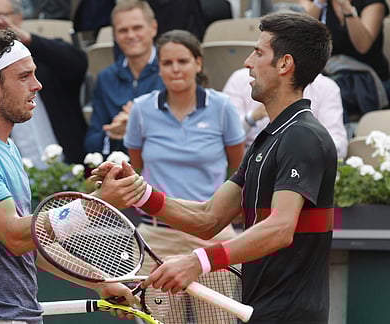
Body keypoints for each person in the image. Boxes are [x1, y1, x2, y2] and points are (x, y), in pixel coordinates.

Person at [93, 11, 338, 323]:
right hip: (258, 308)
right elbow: (209, 217)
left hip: (292, 314)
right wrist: (139, 192)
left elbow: (279, 229)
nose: (247, 62)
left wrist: (198, 260)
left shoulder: (304, 136)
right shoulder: (267, 140)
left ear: (284, 64)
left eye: (259, 52)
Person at [0, 29, 144, 323]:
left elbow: (34, 240)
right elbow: (16, 237)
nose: (37, 85)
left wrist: (98, 281)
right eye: (24, 77)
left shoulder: (4, 147)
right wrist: (97, 203)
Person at [124, 29, 246, 275]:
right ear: (158, 68)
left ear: (198, 63)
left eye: (183, 61)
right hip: (156, 235)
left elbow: (237, 168)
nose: (175, 69)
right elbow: (136, 169)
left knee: (217, 315)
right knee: (155, 316)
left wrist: (218, 212)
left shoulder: (222, 107)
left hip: (212, 234)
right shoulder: (141, 109)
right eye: (167, 63)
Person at [0, 0, 88, 167]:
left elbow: (79, 64)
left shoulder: (45, 56)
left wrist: (27, 39)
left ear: (19, 17)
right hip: (20, 179)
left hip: (70, 171)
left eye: (2, 16)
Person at [84, 0, 165, 158]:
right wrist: (113, 133)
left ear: (153, 28)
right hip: (121, 171)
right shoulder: (105, 78)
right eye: (123, 30)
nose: (131, 35)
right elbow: (91, 142)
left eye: (137, 28)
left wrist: (140, 123)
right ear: (114, 35)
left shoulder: (172, 70)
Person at [300, 0, 390, 134]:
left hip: (370, 80)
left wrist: (347, 9)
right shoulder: (322, 4)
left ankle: (339, 142)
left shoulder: (372, 3)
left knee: (331, 89)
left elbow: (363, 46)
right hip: (332, 74)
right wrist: (319, 4)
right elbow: (301, 35)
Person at [223, 68, 348, 158]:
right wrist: (251, 118)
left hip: (301, 166)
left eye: (259, 53)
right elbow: (221, 137)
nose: (248, 61)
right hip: (246, 163)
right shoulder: (240, 79)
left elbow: (338, 146)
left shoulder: (326, 87)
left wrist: (303, 145)